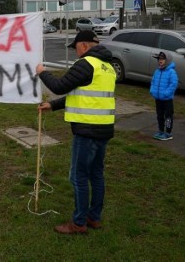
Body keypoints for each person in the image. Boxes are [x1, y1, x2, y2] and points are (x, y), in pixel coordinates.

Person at [36, 30, 116, 235]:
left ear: (84, 45)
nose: (75, 53)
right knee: (96, 175)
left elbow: (60, 86)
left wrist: (42, 72)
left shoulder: (86, 63)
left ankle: (79, 222)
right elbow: (80, 94)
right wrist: (52, 106)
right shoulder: (107, 67)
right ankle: (94, 217)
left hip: (87, 130)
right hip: (103, 129)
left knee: (78, 176)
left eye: (76, 48)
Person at [149, 51, 178, 141]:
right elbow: (153, 81)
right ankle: (161, 131)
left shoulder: (171, 72)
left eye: (162, 59)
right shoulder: (157, 71)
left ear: (167, 60)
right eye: (159, 59)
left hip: (167, 99)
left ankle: (168, 133)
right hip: (158, 99)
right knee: (159, 115)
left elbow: (173, 84)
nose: (160, 61)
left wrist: (166, 94)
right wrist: (152, 91)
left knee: (168, 116)